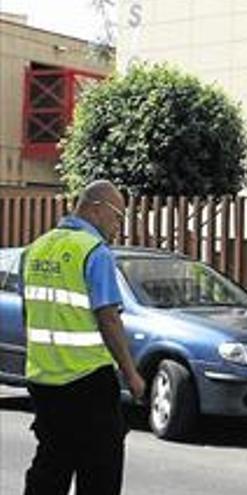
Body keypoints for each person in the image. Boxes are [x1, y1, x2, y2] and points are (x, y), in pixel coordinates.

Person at [21, 180, 145, 495]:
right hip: (88, 380)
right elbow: (109, 318)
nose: (119, 226)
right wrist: (130, 373)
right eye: (118, 216)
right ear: (96, 208)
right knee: (100, 468)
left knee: (52, 462)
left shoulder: (36, 248)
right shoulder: (94, 251)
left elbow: (28, 312)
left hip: (43, 379)